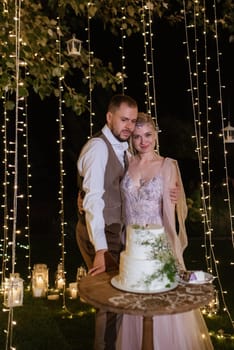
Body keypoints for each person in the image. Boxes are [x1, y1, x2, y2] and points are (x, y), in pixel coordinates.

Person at [116, 112, 214, 350]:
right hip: (133, 247)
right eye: (137, 136)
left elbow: (175, 207)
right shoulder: (127, 161)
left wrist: (177, 195)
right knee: (134, 303)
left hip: (159, 246)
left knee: (163, 306)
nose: (143, 141)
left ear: (156, 134)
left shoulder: (168, 165)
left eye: (148, 134)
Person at [76, 94, 138, 350]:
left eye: (133, 121)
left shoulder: (124, 149)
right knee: (109, 303)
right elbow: (92, 199)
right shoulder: (98, 148)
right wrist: (100, 248)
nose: (129, 127)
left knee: (117, 301)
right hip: (101, 233)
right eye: (124, 119)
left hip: (117, 231)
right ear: (109, 117)